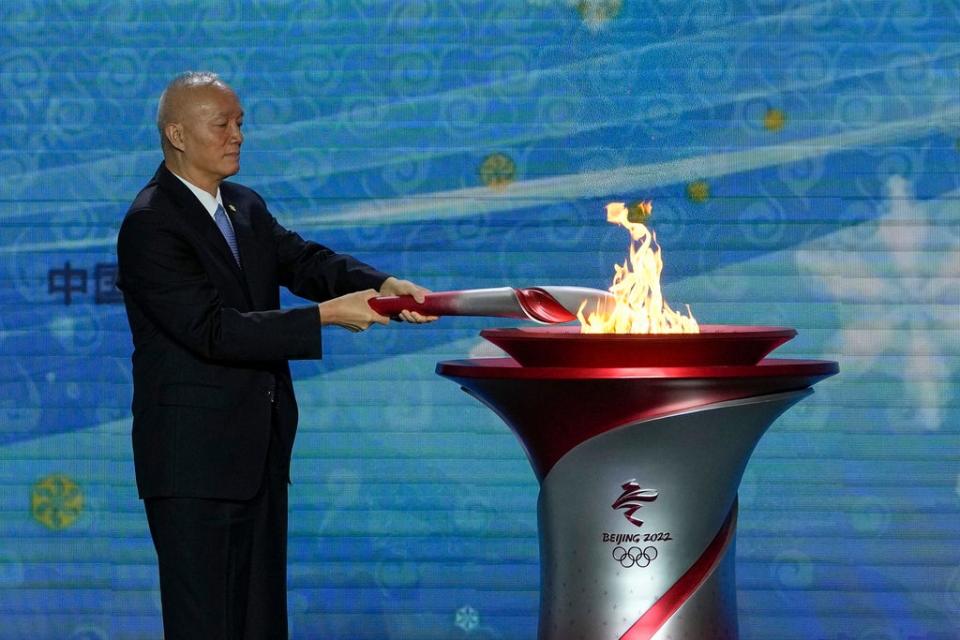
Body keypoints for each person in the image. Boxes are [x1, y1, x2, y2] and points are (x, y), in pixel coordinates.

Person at [115, 71, 435, 639]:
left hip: (258, 453)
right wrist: (327, 316)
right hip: (192, 466)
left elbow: (304, 261)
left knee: (260, 623)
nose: (238, 135)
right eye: (223, 124)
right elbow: (212, 331)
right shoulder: (151, 224)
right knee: (206, 626)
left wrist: (381, 283)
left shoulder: (244, 206)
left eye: (241, 123)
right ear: (178, 134)